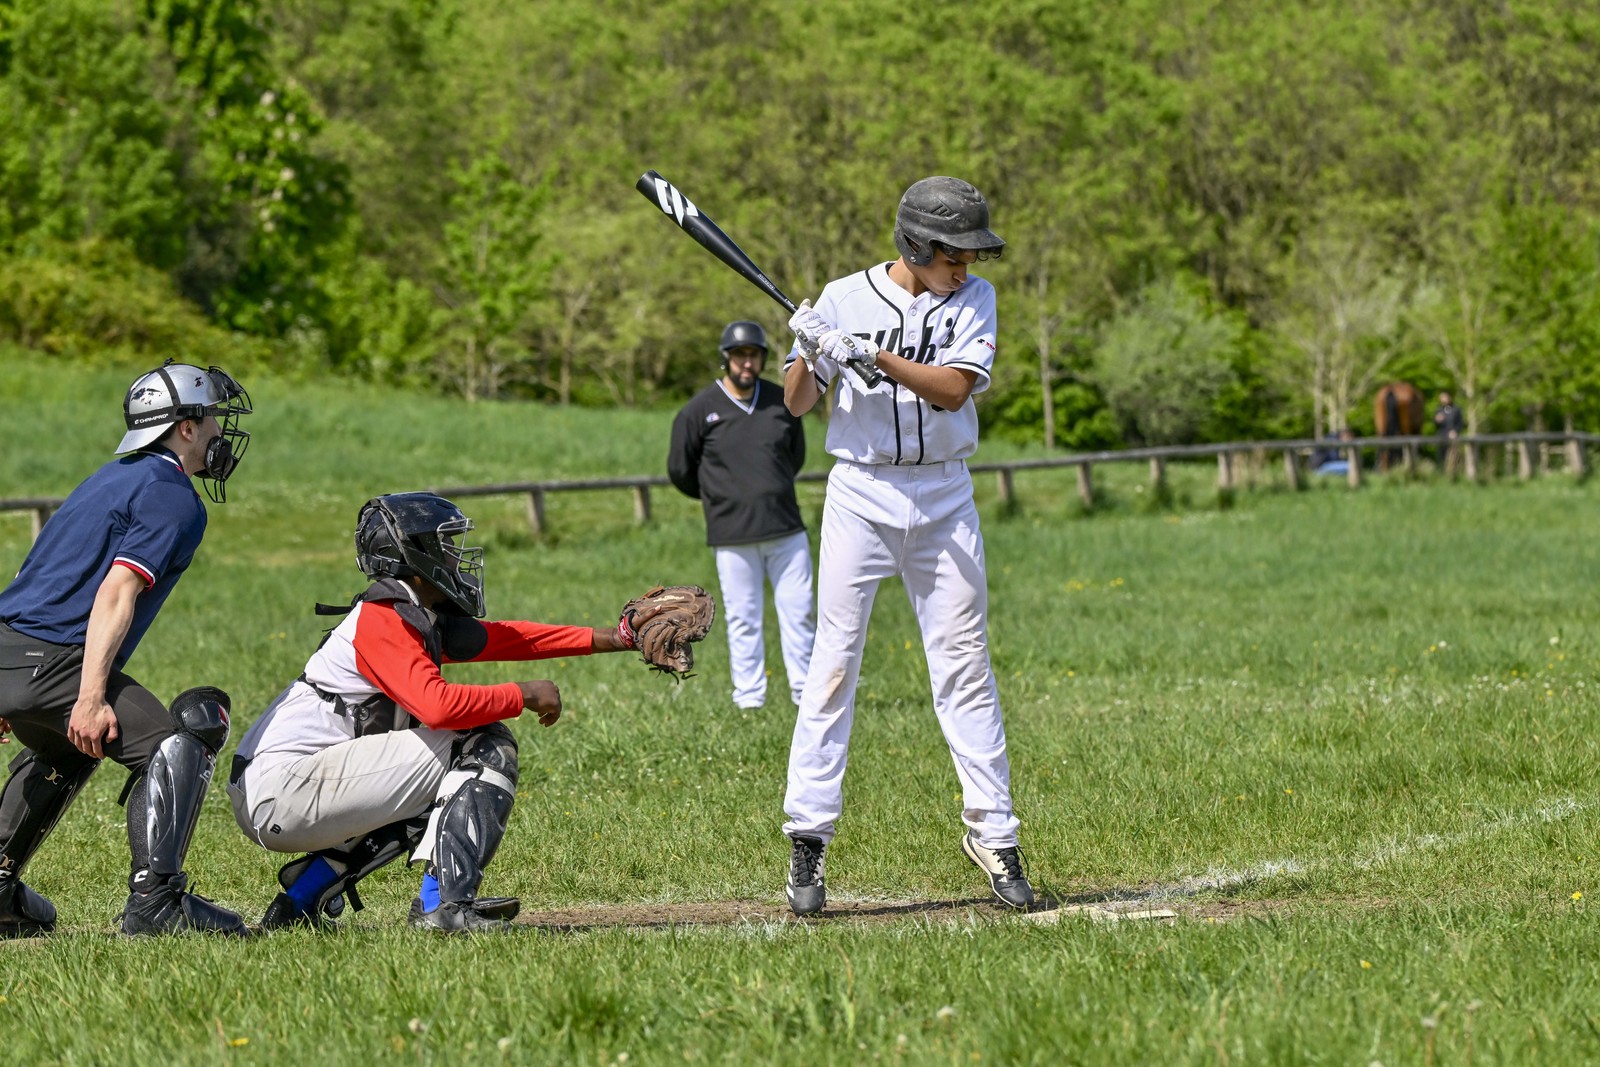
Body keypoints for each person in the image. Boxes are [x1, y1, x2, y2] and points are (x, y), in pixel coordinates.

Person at [778, 175, 1034, 915]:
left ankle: (995, 831)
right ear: (918, 244)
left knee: (964, 665)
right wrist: (811, 348)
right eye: (956, 251)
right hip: (860, 492)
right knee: (833, 663)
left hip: (945, 492)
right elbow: (797, 401)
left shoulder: (973, 299)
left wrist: (876, 357)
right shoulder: (841, 297)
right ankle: (809, 835)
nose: (967, 265)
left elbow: (954, 389)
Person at [228, 492, 640, 933]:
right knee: (480, 742)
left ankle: (301, 902)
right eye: (444, 545)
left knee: (445, 776)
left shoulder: (401, 612)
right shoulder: (383, 620)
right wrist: (524, 693)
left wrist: (613, 638)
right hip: (284, 791)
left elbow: (504, 638)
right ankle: (444, 906)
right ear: (413, 553)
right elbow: (439, 707)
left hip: (280, 792)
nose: (454, 556)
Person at [0, 360, 254, 937]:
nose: (219, 429)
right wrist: (90, 695)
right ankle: (157, 903)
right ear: (184, 428)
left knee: (67, 751)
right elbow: (117, 592)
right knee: (176, 743)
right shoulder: (172, 494)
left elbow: (31, 578)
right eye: (211, 416)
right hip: (55, 661)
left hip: (8, 652)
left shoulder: (109, 477)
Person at [668, 321, 816, 711]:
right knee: (743, 618)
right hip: (731, 534)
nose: (747, 364)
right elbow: (680, 470)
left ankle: (807, 694)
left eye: (754, 355)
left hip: (785, 528)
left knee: (800, 614)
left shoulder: (780, 401)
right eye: (740, 355)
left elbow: (795, 458)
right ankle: (750, 698)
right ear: (726, 359)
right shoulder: (698, 411)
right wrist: (721, 498)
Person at [1434, 391, 1464, 473]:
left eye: (1445, 397)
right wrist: (1437, 420)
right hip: (1442, 436)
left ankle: (1455, 473)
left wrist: (1455, 431)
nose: (1443, 400)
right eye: (1441, 398)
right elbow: (1436, 425)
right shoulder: (1439, 410)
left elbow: (1460, 423)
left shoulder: (1456, 410)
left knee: (1455, 456)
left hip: (1453, 436)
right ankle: (1441, 472)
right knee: (1441, 456)